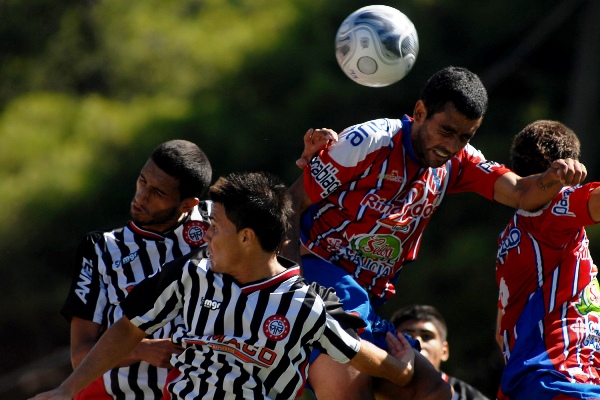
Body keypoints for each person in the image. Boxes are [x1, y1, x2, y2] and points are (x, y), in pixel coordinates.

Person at [283, 66, 587, 399]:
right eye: (446, 130)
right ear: (419, 112)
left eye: (465, 136)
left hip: (366, 298)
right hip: (322, 280)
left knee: (431, 389)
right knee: (355, 384)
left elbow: (521, 193)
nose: (451, 145)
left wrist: (554, 177)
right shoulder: (367, 141)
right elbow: (290, 203)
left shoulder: (459, 162)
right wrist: (290, 287)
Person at [29, 171, 450, 400]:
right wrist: (66, 390)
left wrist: (406, 368)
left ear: (247, 237)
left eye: (214, 227)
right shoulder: (190, 275)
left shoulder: (306, 305)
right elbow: (126, 328)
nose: (206, 235)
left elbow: (359, 354)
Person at [60, 140, 213, 399]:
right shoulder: (101, 248)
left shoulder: (218, 221)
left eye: (158, 193)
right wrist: (142, 349)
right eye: (142, 181)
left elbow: (283, 211)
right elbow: (79, 355)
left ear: (188, 204)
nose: (141, 196)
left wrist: (307, 165)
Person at [495, 120, 600, 399]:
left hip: (529, 383)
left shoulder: (509, 238)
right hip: (561, 378)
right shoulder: (554, 206)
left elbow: (500, 331)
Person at [392, 304, 490, 400]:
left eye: (426, 336)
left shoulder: (468, 397)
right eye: (407, 336)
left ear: (444, 351)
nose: (417, 342)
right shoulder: (378, 390)